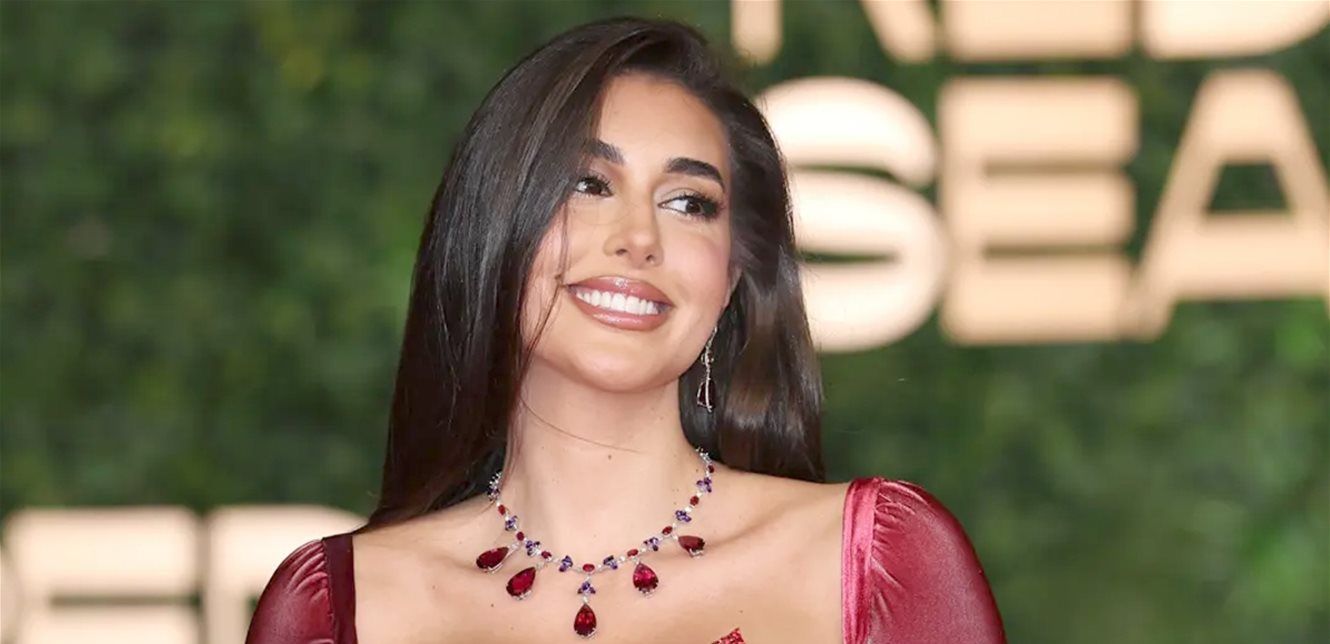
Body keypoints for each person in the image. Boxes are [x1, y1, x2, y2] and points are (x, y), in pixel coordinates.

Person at [245, 16, 1005, 644]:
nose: (639, 238)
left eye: (688, 203)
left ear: (731, 280)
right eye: (589, 184)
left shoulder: (875, 565)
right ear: (494, 231)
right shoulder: (340, 608)